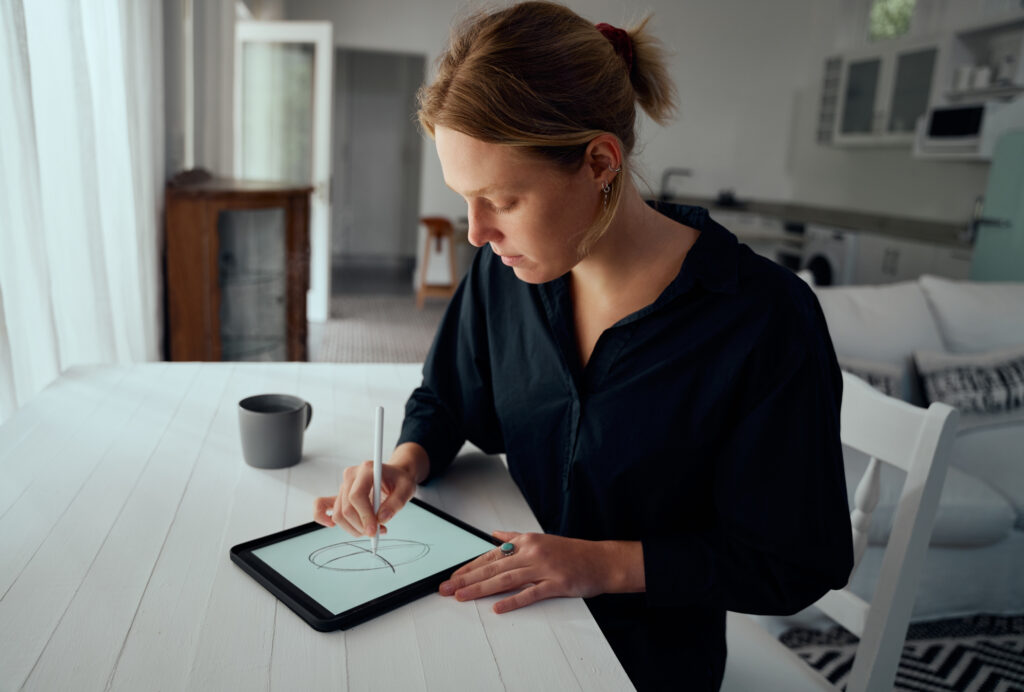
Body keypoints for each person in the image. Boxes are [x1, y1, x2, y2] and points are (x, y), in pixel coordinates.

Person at [314, 2, 853, 689]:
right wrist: (404, 464)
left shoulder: (762, 322)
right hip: (499, 623)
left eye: (501, 200)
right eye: (464, 200)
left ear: (600, 161)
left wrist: (601, 564)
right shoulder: (505, 273)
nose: (476, 233)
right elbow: (450, 398)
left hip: (642, 664)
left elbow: (796, 560)